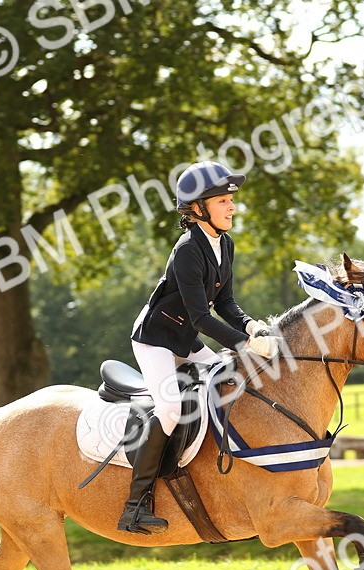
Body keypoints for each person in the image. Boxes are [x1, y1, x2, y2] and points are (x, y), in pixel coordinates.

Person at [118, 161, 280, 534]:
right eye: (223, 200)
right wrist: (246, 345)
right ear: (197, 208)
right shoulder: (188, 250)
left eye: (230, 200)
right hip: (156, 339)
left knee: (229, 379)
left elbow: (224, 305)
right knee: (171, 408)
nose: (232, 207)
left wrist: (251, 325)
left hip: (186, 339)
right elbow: (199, 319)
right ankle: (135, 505)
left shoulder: (225, 242)